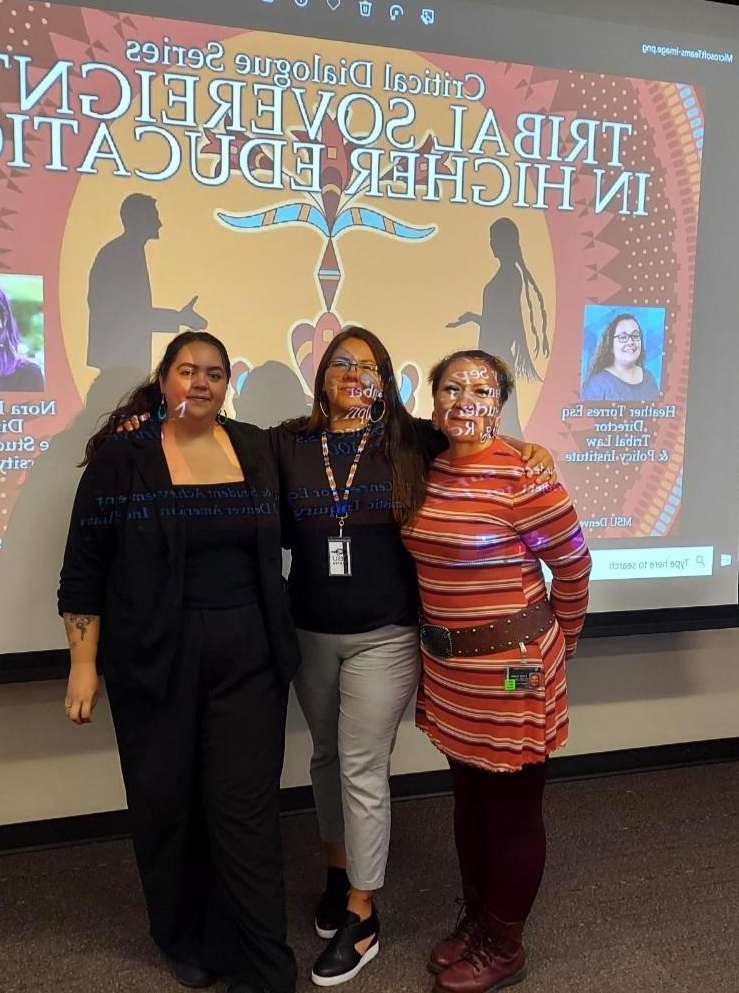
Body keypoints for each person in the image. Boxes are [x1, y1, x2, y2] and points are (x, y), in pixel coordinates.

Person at [120, 327, 555, 987]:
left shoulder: (410, 440)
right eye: (342, 364)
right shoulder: (286, 443)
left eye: (370, 365)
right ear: (321, 375)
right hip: (309, 632)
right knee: (326, 756)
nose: (355, 374)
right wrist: (149, 413)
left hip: (386, 634)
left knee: (359, 762)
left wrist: (529, 445)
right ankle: (337, 872)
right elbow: (214, 437)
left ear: (386, 380)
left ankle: (362, 911)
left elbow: (479, 442)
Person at [57, 331, 298, 993]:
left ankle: (260, 962)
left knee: (244, 810)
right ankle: (181, 934)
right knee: (168, 804)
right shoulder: (123, 459)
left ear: (228, 385)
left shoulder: (254, 447)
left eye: (214, 373)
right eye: (187, 370)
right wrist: (84, 665)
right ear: (164, 380)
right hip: (154, 656)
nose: (200, 382)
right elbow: (84, 569)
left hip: (250, 653)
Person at [401, 350, 591, 993]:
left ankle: (504, 944)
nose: (465, 398)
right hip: (450, 671)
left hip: (514, 671)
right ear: (435, 402)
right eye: (451, 387)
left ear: (501, 403)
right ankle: (479, 918)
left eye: (481, 388)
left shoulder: (526, 478)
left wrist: (562, 643)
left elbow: (573, 567)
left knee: (511, 808)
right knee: (469, 800)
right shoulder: (424, 468)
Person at [448, 218, 550, 438]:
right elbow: (499, 320)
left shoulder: (509, 276)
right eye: (491, 239)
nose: (491, 243)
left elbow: (506, 324)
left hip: (499, 362)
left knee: (502, 423)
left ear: (504, 242)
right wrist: (474, 318)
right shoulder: (507, 274)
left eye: (494, 239)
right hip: (492, 362)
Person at [86, 193, 206, 372]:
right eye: (154, 216)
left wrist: (179, 318)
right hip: (120, 363)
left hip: (126, 361)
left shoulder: (128, 252)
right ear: (137, 220)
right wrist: (179, 318)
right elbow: (128, 315)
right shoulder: (118, 255)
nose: (159, 223)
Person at [581, 311, 661, 401]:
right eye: (623, 337)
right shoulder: (598, 384)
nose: (630, 342)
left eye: (635, 336)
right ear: (611, 346)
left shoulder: (649, 378)